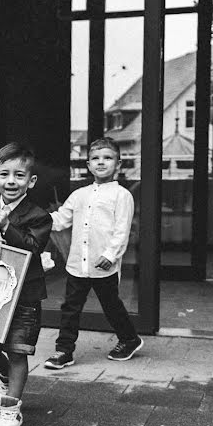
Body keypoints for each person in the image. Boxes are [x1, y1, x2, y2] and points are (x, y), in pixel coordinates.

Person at [0, 142, 52, 426]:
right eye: (4, 174)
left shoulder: (39, 216)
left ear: (30, 182)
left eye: (19, 176)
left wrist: (7, 227)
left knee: (18, 351)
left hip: (25, 296)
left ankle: (11, 410)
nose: (11, 181)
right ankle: (4, 374)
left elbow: (32, 248)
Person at [44, 136, 143, 370]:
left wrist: (110, 255)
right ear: (88, 165)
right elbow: (60, 220)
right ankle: (64, 351)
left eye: (108, 158)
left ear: (118, 165)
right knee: (70, 308)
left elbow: (122, 230)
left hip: (103, 265)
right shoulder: (80, 194)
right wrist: (34, 220)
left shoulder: (122, 196)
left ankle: (129, 338)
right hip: (78, 264)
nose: (101, 162)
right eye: (95, 158)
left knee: (111, 306)